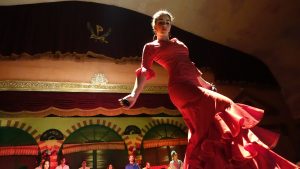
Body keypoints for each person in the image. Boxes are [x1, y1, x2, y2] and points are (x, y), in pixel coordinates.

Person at [119, 10, 298, 169]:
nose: (164, 24)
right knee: (225, 104)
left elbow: (190, 66)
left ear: (170, 25)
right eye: (160, 22)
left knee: (207, 129)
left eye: (167, 21)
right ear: (154, 26)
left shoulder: (179, 44)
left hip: (194, 84)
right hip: (180, 87)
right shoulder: (150, 47)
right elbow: (144, 71)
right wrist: (135, 94)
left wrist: (204, 84)